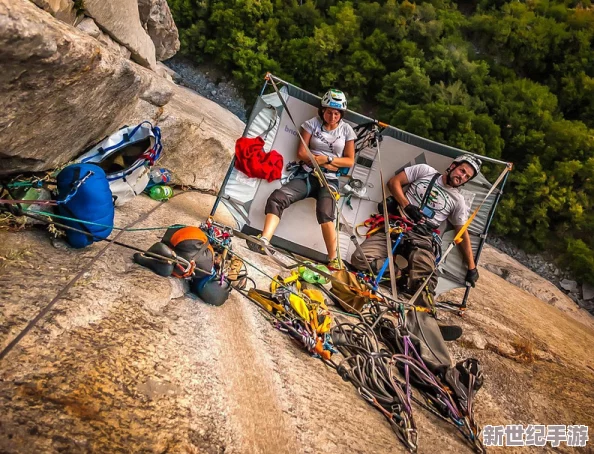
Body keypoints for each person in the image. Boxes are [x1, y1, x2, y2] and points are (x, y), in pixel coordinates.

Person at [248, 89, 356, 269]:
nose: (332, 116)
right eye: (329, 111)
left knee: (326, 213)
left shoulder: (347, 131)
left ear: (341, 114)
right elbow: (301, 152)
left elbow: (350, 160)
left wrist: (327, 160)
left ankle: (334, 260)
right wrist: (319, 161)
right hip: (307, 174)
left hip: (329, 179)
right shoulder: (311, 124)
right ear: (322, 110)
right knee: (278, 198)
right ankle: (264, 239)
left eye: (336, 113)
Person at [350, 154, 482, 299]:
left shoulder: (458, 201)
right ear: (452, 166)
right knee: (359, 259)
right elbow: (394, 183)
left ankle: (411, 282)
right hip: (398, 226)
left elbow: (462, 233)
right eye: (462, 171)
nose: (462, 177)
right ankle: (399, 276)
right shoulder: (424, 171)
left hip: (423, 236)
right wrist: (406, 205)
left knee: (426, 285)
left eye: (467, 177)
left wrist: (471, 267)